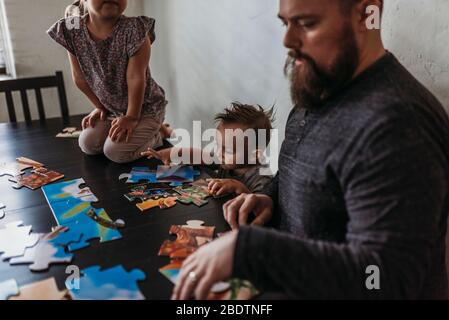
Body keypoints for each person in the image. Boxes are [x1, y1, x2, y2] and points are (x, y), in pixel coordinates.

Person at [172, 0, 449, 300]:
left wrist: (253, 251)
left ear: (366, 14)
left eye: (306, 24)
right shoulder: (317, 88)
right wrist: (269, 197)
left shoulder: (398, 124)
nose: (287, 41)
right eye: (285, 23)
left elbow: (384, 280)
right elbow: (301, 175)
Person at [48, 0, 168, 164]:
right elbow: (79, 78)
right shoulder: (72, 29)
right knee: (88, 144)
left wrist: (132, 117)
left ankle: (158, 134)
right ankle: (141, 129)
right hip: (114, 109)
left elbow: (136, 78)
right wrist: (100, 106)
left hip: (144, 108)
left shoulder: (135, 29)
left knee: (115, 152)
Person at [142, 102, 274, 195]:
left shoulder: (263, 179)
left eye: (227, 150)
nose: (218, 153)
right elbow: (200, 156)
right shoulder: (226, 158)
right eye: (218, 145)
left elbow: (259, 209)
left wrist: (239, 187)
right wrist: (170, 153)